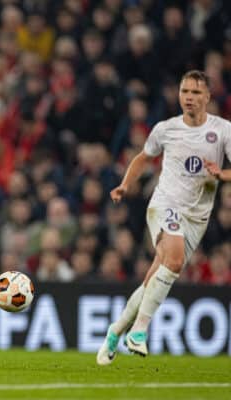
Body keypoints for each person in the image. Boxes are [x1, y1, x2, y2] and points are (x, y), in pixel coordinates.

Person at [97, 70, 231, 365]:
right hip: (164, 205)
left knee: (155, 276)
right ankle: (139, 332)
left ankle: (116, 330)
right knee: (173, 260)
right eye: (185, 92)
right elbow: (144, 157)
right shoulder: (165, 129)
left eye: (196, 93)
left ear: (208, 97)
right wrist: (125, 184)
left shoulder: (223, 131)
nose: (189, 98)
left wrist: (222, 174)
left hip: (197, 217)